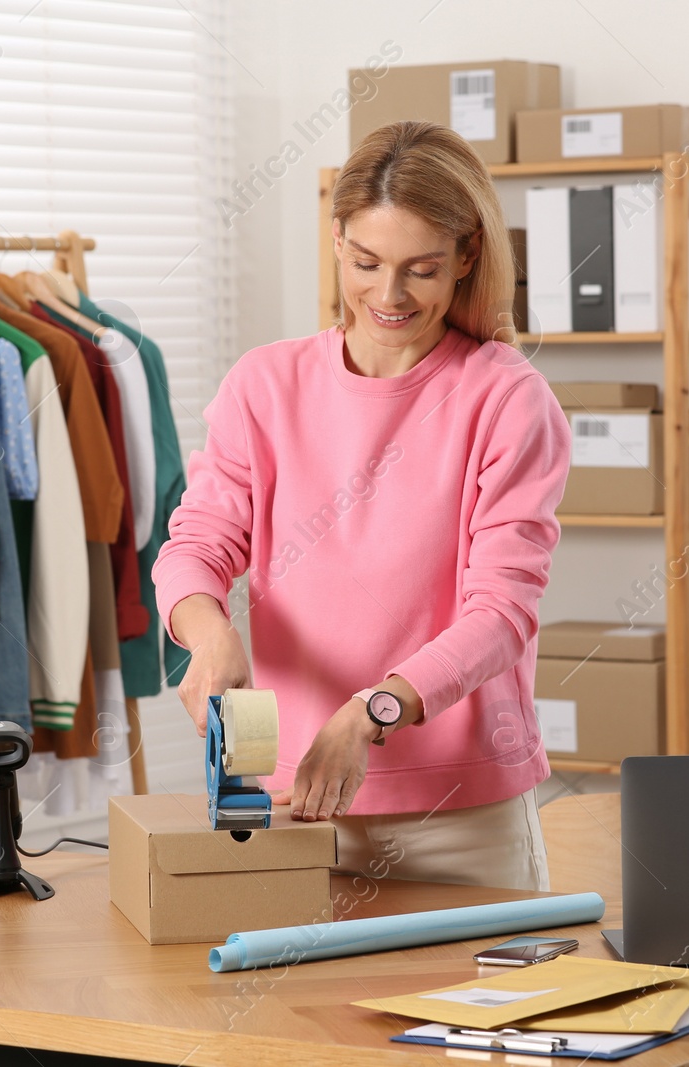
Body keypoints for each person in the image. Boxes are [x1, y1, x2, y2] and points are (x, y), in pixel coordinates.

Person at [151, 120, 571, 891]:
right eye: (367, 262)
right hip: (292, 801)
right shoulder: (265, 384)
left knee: (485, 1014)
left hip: (464, 817)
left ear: (467, 258)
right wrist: (207, 631)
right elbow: (197, 543)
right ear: (337, 237)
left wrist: (370, 710)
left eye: (421, 269)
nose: (388, 294)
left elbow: (502, 612)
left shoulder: (506, 397)